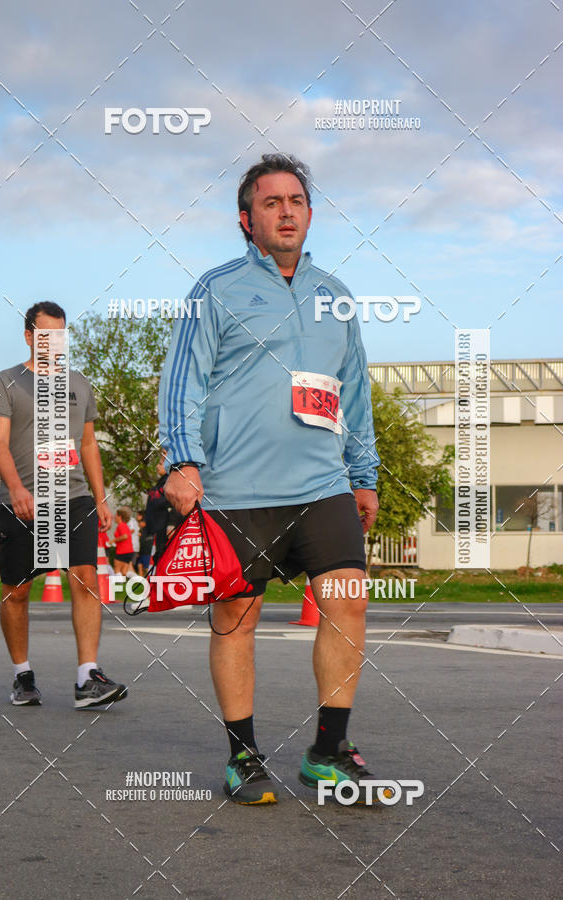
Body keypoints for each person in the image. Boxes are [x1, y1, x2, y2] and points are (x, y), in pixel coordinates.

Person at [159, 154, 382, 804]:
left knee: (347, 604)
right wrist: (183, 459)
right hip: (238, 488)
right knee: (235, 618)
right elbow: (185, 382)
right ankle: (243, 756)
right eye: (270, 202)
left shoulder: (334, 294)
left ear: (309, 214)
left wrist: (362, 473)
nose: (285, 211)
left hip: (322, 483)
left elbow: (356, 389)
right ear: (245, 219)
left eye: (296, 201)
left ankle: (325, 749)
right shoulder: (216, 289)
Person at [0, 301, 127, 709]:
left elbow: (87, 445)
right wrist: (15, 489)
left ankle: (88, 678)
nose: (56, 343)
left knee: (85, 577)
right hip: (25, 501)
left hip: (74, 497)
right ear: (30, 336)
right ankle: (23, 676)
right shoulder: (7, 382)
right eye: (48, 335)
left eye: (62, 335)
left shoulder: (79, 383)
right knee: (18, 592)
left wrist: (101, 497)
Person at [144, 452, 182, 561]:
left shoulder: (172, 481)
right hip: (157, 529)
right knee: (158, 557)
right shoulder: (161, 482)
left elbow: (175, 503)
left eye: (160, 464)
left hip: (166, 527)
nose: (157, 466)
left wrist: (172, 524)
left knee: (165, 557)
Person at [112, 508, 134, 576]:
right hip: (129, 551)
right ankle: (138, 581)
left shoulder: (121, 525)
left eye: (116, 515)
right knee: (124, 572)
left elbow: (125, 536)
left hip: (122, 550)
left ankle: (117, 586)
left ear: (120, 517)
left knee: (117, 569)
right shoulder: (125, 525)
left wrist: (113, 540)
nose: (114, 517)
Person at [136, 511, 153, 576]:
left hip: (147, 550)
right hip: (142, 550)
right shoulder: (142, 529)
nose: (140, 524)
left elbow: (144, 540)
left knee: (146, 567)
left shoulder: (148, 528)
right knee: (139, 565)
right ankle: (141, 579)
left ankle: (149, 579)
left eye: (138, 515)